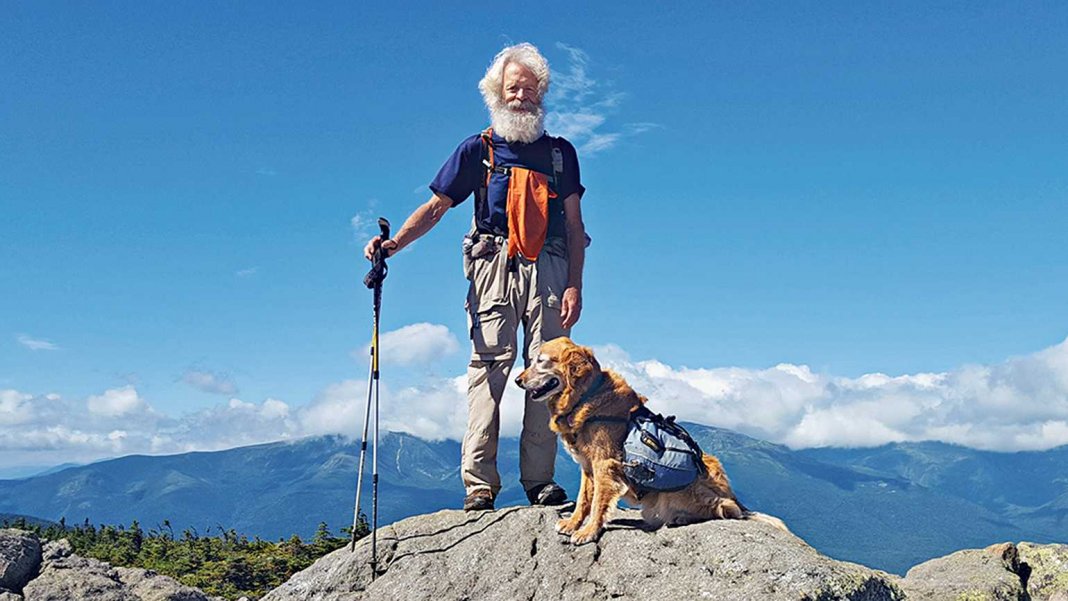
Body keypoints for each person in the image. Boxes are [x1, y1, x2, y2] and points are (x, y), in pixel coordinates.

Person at [363, 43, 587, 511]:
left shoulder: (561, 154)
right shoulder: (477, 150)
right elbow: (436, 207)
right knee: (489, 367)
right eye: (513, 89)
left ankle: (539, 481)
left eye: (530, 89)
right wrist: (393, 246)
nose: (522, 97)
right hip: (493, 265)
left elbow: (574, 225)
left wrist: (574, 284)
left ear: (541, 93)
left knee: (548, 374)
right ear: (496, 94)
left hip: (551, 266)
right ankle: (479, 483)